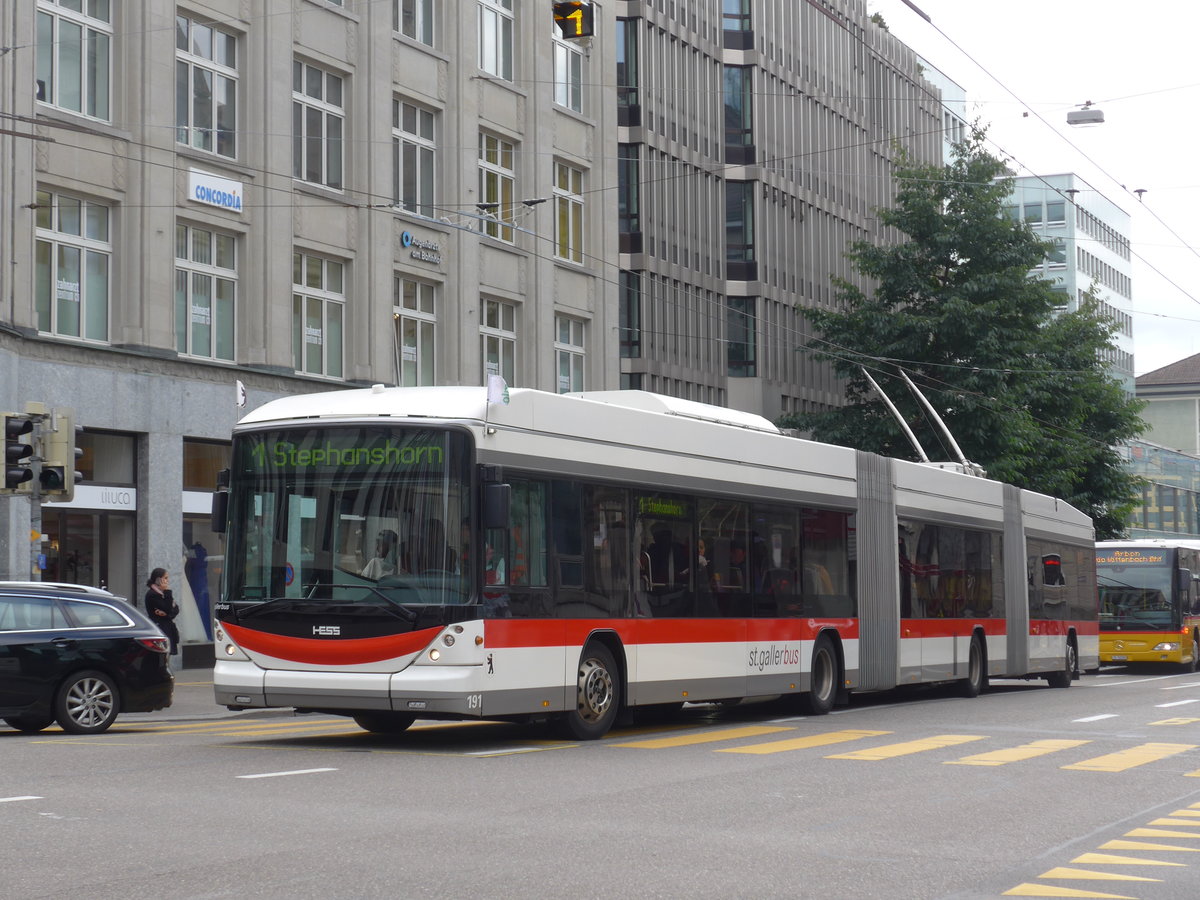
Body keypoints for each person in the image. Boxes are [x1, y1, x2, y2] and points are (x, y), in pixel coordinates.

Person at [144, 567, 180, 655]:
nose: (167, 581)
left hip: (167, 626)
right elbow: (167, 608)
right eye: (165, 578)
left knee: (167, 654)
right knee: (162, 655)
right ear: (158, 579)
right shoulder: (152, 594)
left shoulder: (162, 593)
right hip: (160, 627)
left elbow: (176, 609)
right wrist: (167, 591)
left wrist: (168, 614)